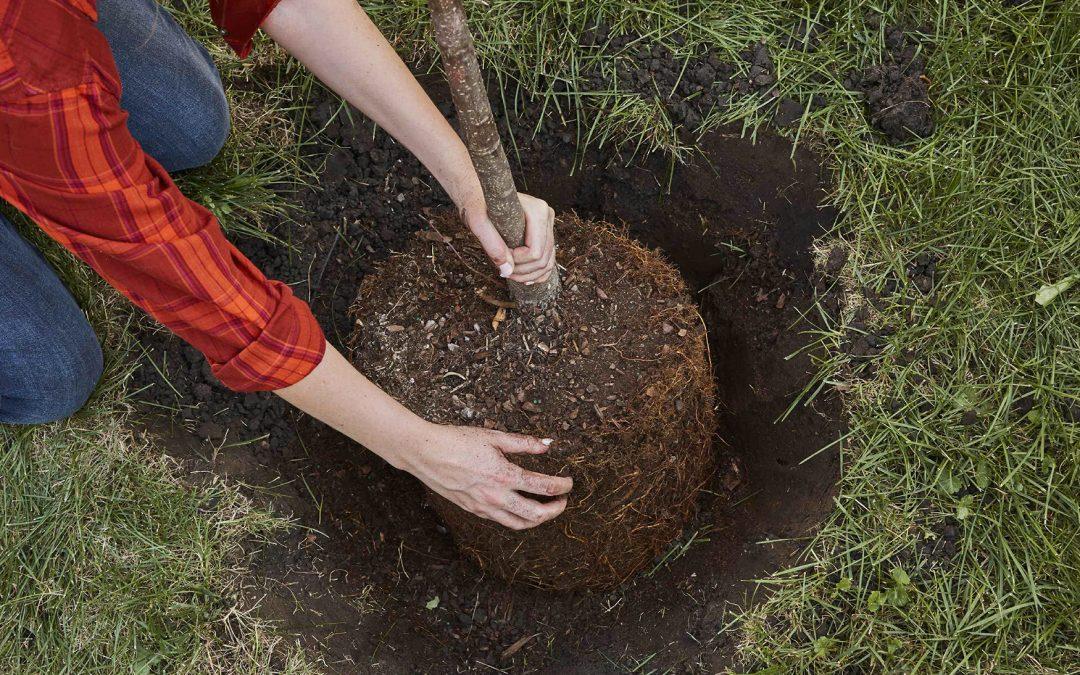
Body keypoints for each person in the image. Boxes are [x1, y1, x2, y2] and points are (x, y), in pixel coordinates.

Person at [0, 0, 571, 531]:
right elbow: (170, 264)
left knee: (190, 123)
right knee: (52, 375)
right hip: (19, 68)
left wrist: (471, 183)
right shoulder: (29, 70)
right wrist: (414, 445)